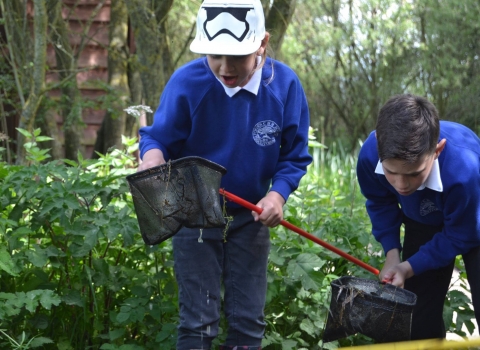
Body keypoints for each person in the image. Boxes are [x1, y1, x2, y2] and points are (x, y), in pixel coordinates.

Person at [137, 0, 312, 348]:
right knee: (198, 323)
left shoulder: (284, 86)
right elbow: (157, 137)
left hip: (251, 216)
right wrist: (152, 158)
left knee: (248, 321)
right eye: (215, 55)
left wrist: (276, 195)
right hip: (194, 210)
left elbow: (294, 157)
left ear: (261, 44)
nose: (224, 66)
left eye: (237, 57)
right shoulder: (188, 81)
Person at [357, 93, 480, 340]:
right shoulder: (370, 156)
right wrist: (394, 257)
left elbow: (461, 235)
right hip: (423, 218)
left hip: (473, 217)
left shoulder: (464, 167)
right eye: (391, 173)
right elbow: (381, 203)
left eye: (414, 174)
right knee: (416, 318)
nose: (401, 185)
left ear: (437, 150)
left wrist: (409, 266)